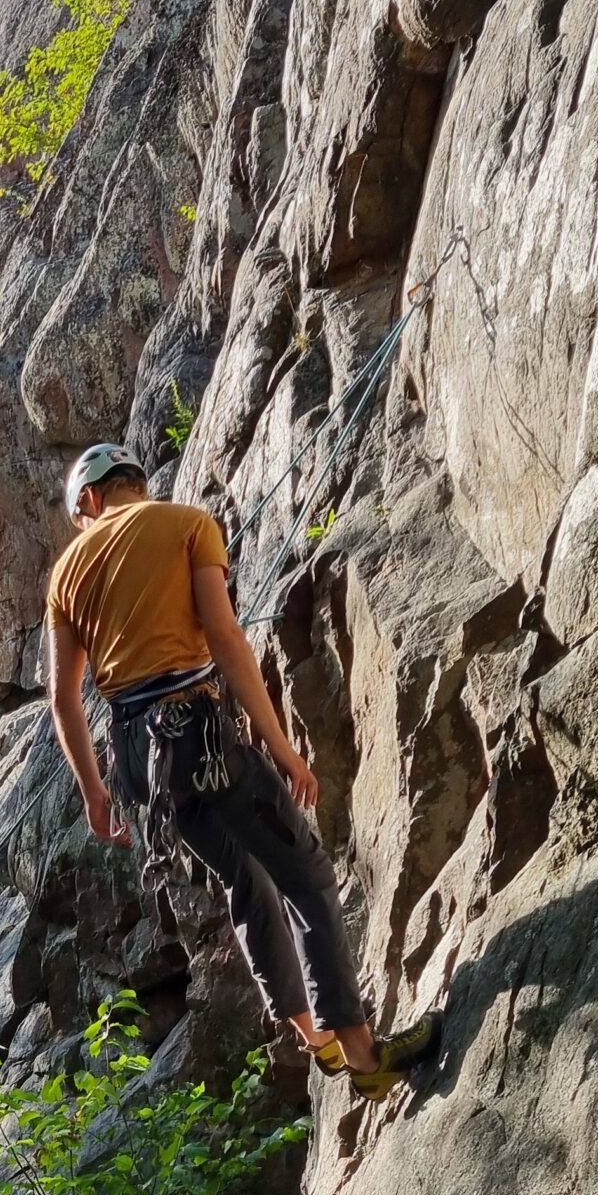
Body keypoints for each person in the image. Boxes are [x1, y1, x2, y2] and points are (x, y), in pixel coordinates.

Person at [44, 443, 439, 1102]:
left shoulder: (65, 574)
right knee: (307, 877)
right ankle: (365, 1056)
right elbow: (225, 639)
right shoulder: (187, 523)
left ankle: (316, 1041)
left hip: (140, 763)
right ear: (134, 483)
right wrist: (282, 749)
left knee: (245, 883)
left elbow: (63, 698)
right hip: (198, 737)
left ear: (88, 500)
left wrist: (94, 790)